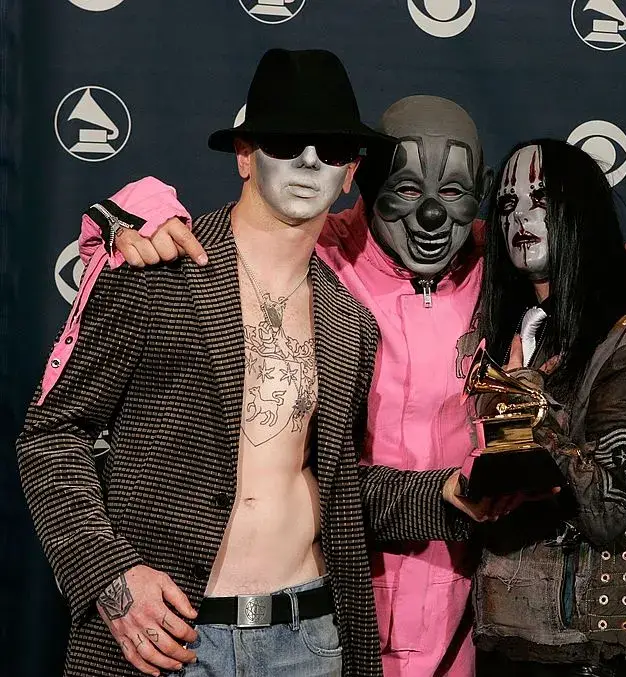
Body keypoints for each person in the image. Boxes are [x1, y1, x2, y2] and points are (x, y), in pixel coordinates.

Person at [17, 49, 504, 677]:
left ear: (351, 174)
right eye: (286, 142)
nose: (309, 161)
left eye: (331, 149)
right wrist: (109, 575)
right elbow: (52, 435)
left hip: (309, 638)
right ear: (245, 155)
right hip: (170, 637)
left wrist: (448, 495)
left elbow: (333, 485)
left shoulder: (350, 323)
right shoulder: (156, 268)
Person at [467, 139, 626, 677]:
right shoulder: (520, 330)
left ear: (579, 210)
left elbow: (609, 510)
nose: (521, 217)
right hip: (507, 639)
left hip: (589, 652)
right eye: (507, 204)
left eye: (541, 200)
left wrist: (528, 410)